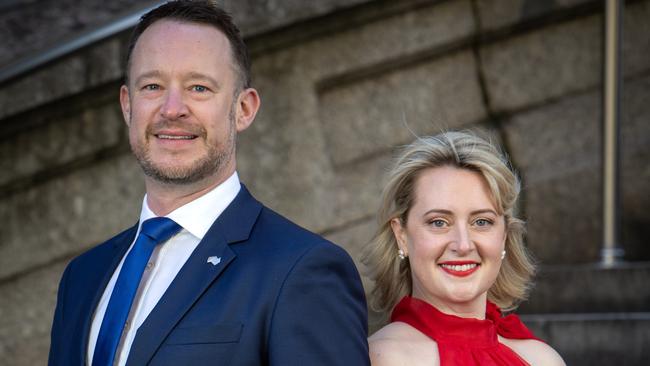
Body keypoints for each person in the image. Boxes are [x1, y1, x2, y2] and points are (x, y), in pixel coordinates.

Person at [48, 1, 369, 365]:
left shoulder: (301, 270)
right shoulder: (82, 277)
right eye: (152, 86)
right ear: (127, 105)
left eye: (199, 88)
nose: (172, 109)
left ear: (243, 109)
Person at [363, 131, 565, 365]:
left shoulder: (543, 359)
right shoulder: (377, 357)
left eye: (482, 222)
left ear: (504, 236)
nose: (463, 245)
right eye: (438, 222)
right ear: (401, 236)